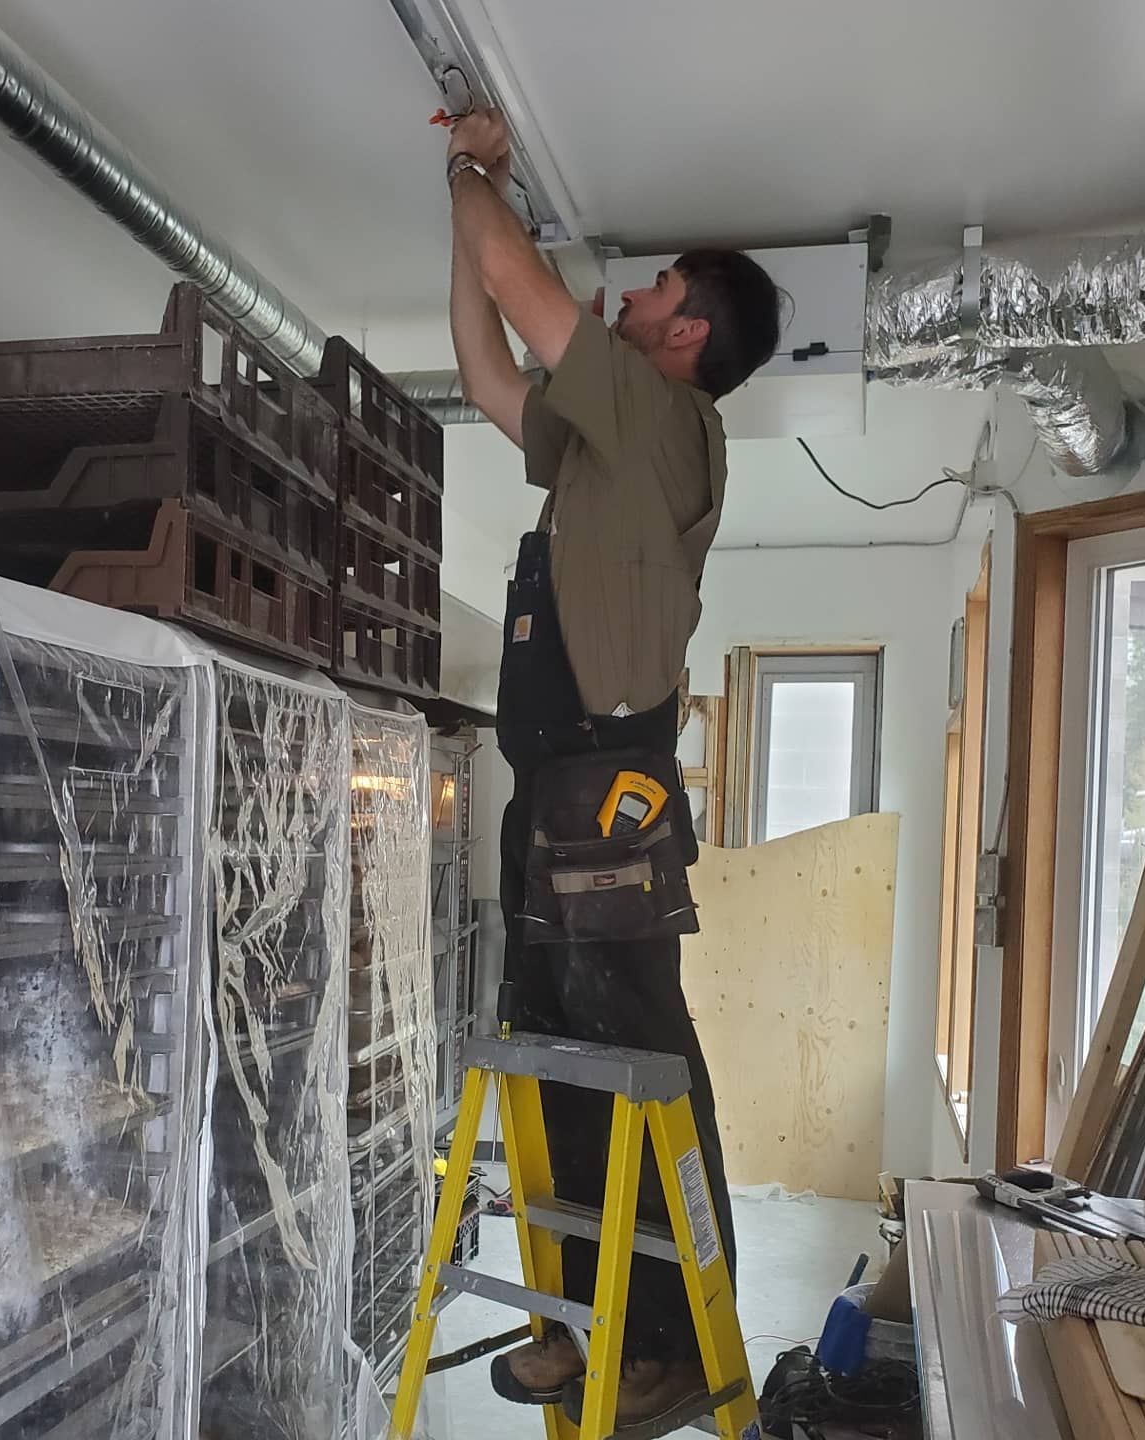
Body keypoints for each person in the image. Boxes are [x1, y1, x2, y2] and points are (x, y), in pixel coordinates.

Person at [443, 107, 782, 1430]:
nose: (632, 295)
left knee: (631, 1067)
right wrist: (461, 203)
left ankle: (671, 1345)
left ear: (685, 335)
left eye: (654, 290)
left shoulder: (656, 414)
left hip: (607, 792)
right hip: (559, 789)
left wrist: (477, 171)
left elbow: (517, 283)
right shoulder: (601, 440)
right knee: (558, 1067)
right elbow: (484, 363)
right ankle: (581, 1328)